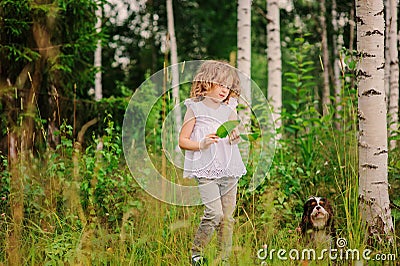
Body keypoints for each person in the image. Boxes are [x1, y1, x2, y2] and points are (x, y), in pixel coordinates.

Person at [179, 60, 247, 265]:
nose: (225, 91)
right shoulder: (194, 108)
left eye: (228, 87)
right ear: (207, 82)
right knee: (214, 213)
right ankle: (196, 254)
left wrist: (236, 136)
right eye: (221, 85)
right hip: (206, 170)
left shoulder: (230, 108)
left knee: (227, 217)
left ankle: (223, 259)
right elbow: (183, 141)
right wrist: (201, 143)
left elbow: (234, 135)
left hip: (229, 169)